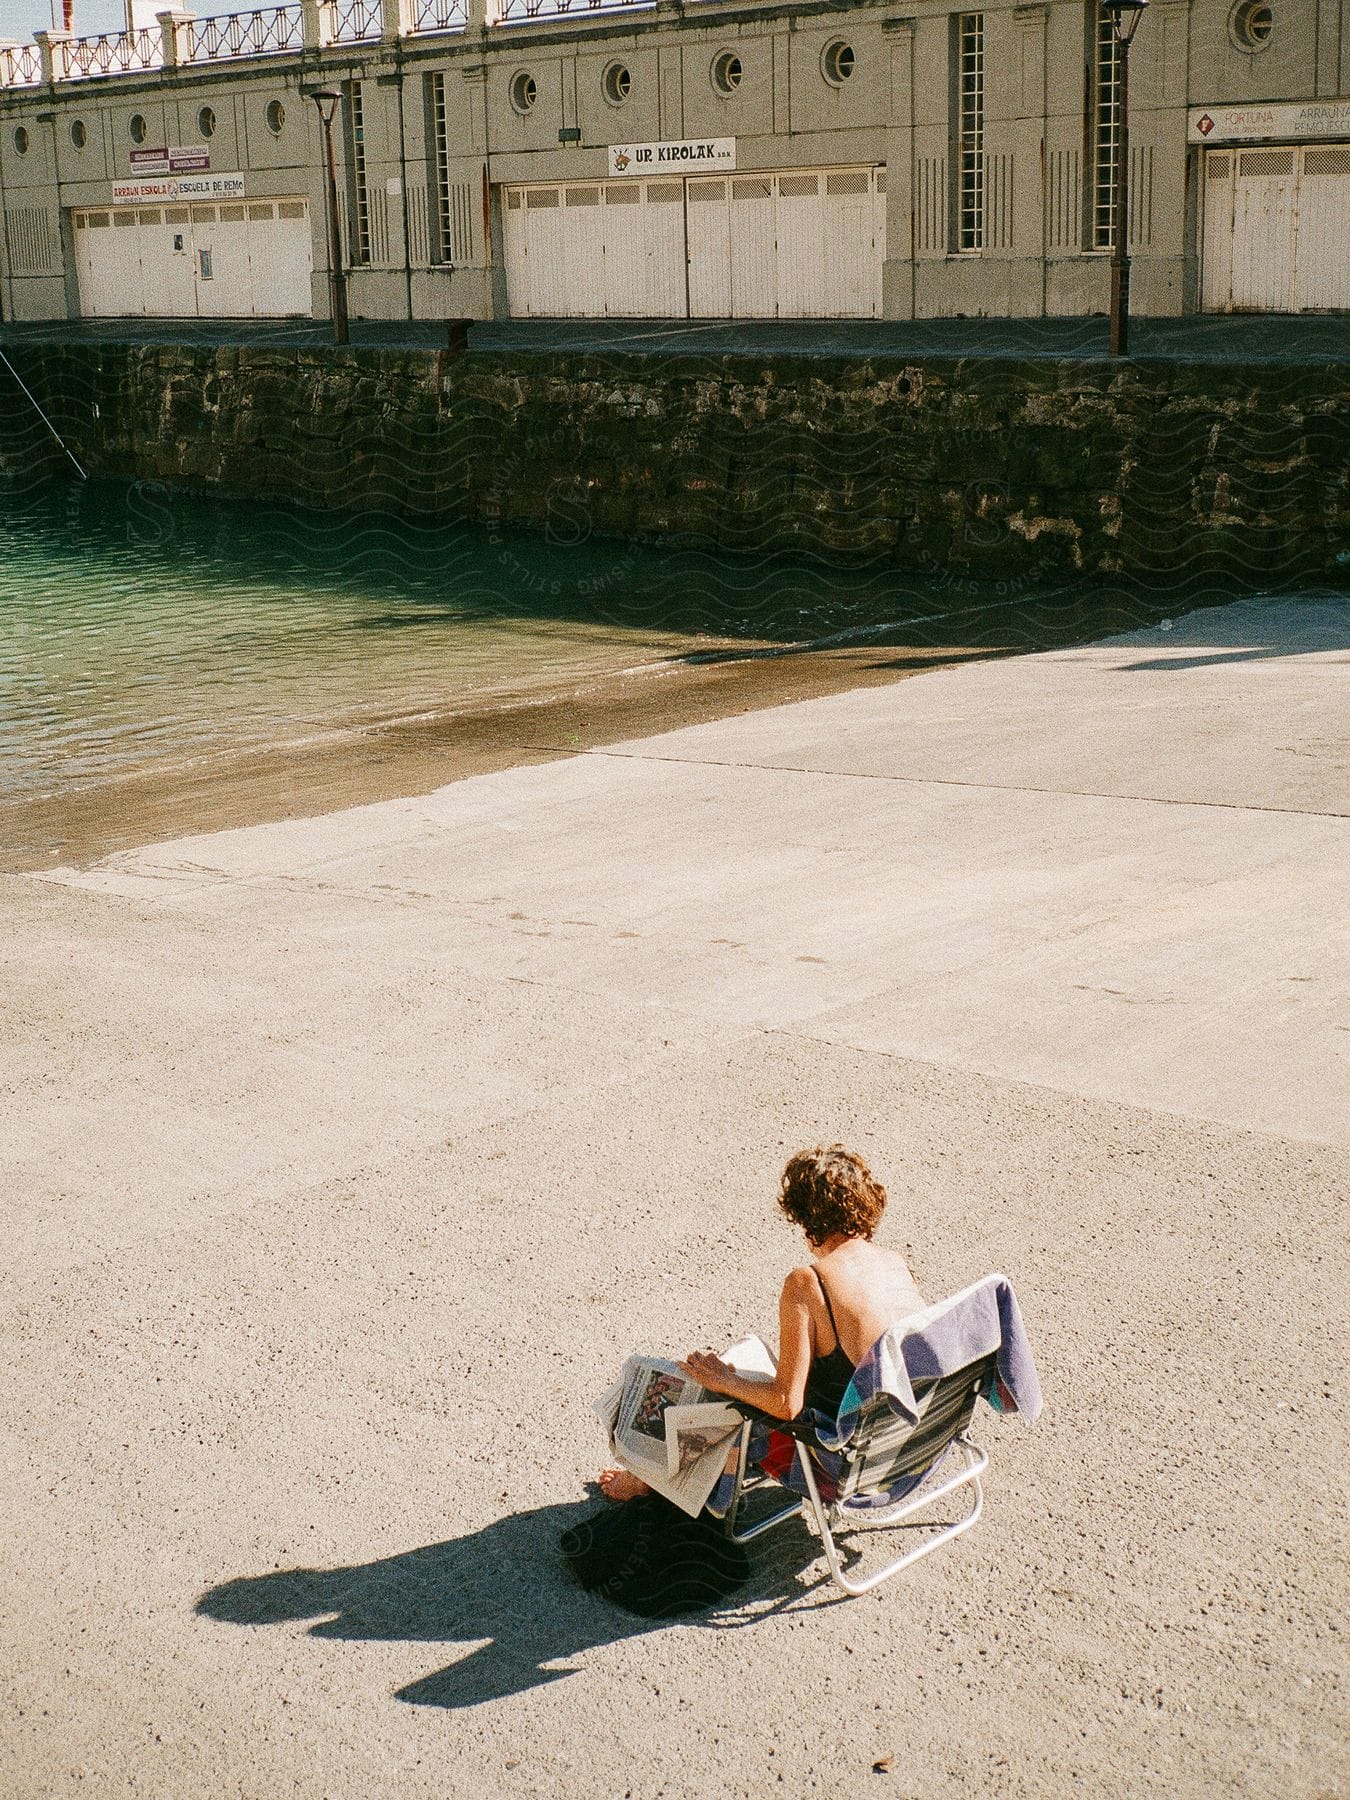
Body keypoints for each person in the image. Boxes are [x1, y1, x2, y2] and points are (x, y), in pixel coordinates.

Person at [598, 1144, 924, 1501]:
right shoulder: (894, 1264)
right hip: (911, 1452)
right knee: (751, 1354)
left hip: (844, 1467)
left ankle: (648, 1478)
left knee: (717, 1398)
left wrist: (725, 1381)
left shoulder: (808, 1283)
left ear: (805, 1217)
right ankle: (654, 1475)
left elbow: (787, 1404)